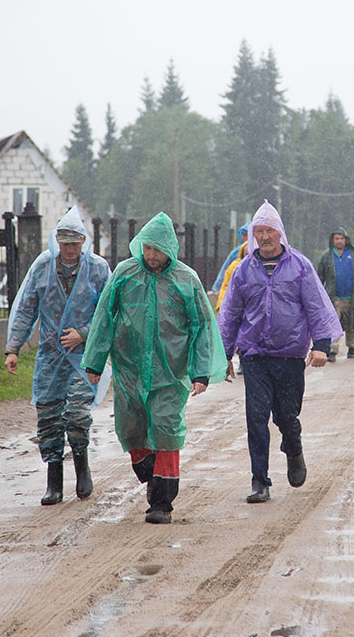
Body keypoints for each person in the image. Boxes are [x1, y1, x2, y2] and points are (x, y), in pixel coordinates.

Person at [81, 212, 229, 524]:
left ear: (169, 250)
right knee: (132, 430)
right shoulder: (124, 273)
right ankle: (150, 472)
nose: (150, 255)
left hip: (170, 372)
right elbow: (104, 317)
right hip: (128, 369)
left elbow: (202, 326)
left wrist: (200, 371)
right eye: (146, 248)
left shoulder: (186, 280)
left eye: (156, 250)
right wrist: (94, 360)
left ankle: (161, 503)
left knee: (165, 430)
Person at [218, 200, 343, 504]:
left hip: (289, 355)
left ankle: (294, 447)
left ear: (280, 233)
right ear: (252, 236)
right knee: (256, 417)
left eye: (269, 230)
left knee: (287, 416)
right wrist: (223, 356)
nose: (264, 237)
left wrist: (322, 346)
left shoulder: (299, 267)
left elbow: (316, 306)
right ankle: (260, 480)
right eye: (258, 231)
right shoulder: (243, 271)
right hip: (255, 355)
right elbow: (231, 314)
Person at [5, 206, 110, 506]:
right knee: (49, 418)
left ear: (83, 243)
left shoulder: (98, 269)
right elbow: (26, 308)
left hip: (82, 358)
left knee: (77, 413)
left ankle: (82, 466)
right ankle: (54, 482)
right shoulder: (42, 267)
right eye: (64, 243)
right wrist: (13, 348)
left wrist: (84, 334)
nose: (70, 249)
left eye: (75, 243)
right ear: (56, 242)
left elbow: (109, 312)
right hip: (50, 357)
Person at [315, 227, 354, 361]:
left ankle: (351, 348)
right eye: (337, 238)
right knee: (333, 324)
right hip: (333, 298)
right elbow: (319, 277)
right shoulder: (326, 256)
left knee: (352, 323)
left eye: (341, 238)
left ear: (346, 240)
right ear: (332, 240)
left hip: (352, 298)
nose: (339, 241)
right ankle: (333, 351)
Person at [210, 221, 250, 311]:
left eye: (247, 235)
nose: (245, 237)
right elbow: (226, 273)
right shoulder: (236, 255)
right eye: (243, 234)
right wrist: (218, 288)